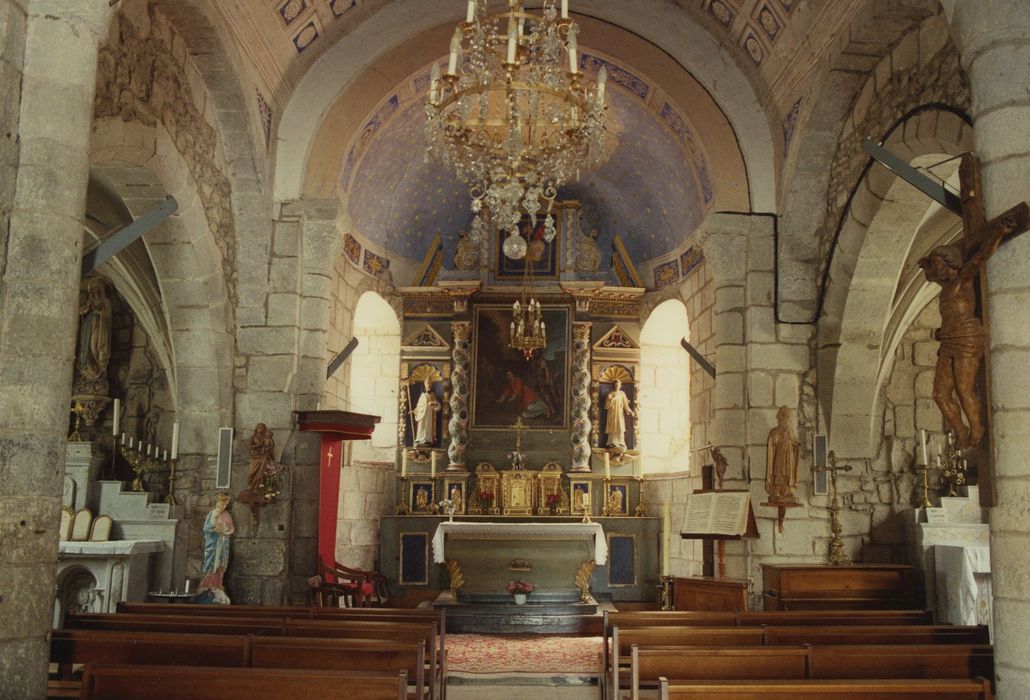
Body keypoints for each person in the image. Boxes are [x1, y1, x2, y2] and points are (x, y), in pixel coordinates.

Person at [919, 238, 1007, 449]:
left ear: (950, 263)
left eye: (937, 263)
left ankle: (977, 429)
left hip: (967, 338)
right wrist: (942, 332)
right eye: (934, 264)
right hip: (949, 340)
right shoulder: (944, 289)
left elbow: (981, 256)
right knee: (939, 393)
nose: (935, 268)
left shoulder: (963, 280)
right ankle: (961, 431)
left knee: (964, 389)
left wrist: (1000, 232)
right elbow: (930, 277)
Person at [197, 493, 235, 603]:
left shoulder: (227, 515)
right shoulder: (212, 514)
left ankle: (218, 584)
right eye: (222, 504)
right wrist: (215, 530)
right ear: (218, 503)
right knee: (211, 563)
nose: (223, 506)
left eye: (225, 505)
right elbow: (206, 528)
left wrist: (226, 531)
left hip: (223, 544)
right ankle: (207, 585)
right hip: (213, 545)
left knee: (221, 564)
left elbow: (232, 528)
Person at [76, 277, 112, 387]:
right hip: (87, 328)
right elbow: (81, 312)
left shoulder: (105, 301)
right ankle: (86, 371)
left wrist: (96, 310)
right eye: (93, 288)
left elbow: (107, 316)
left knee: (94, 346)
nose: (95, 290)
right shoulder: (89, 301)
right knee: (86, 348)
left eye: (96, 288)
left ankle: (98, 370)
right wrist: (86, 310)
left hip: (99, 327)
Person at [765, 406, 799, 502]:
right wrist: (775, 438)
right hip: (780, 455)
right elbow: (773, 442)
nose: (785, 420)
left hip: (789, 456)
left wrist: (795, 443)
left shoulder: (791, 431)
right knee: (779, 472)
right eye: (783, 418)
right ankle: (777, 489)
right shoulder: (775, 431)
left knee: (788, 472)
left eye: (787, 418)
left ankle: (787, 489)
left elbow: (795, 442)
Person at [604, 379, 635, 449]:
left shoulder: (622, 394)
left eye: (618, 385)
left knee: (620, 427)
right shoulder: (610, 394)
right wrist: (610, 399)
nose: (616, 386)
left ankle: (621, 442)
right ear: (613, 386)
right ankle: (612, 442)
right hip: (612, 414)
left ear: (620, 386)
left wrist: (630, 411)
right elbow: (606, 406)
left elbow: (625, 405)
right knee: (612, 427)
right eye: (615, 385)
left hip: (619, 414)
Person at [246, 423, 275, 494]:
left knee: (262, 472)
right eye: (259, 428)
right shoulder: (253, 437)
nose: (260, 429)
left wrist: (268, 449)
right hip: (255, 458)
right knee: (251, 473)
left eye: (262, 428)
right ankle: (251, 485)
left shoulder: (266, 438)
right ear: (256, 429)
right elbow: (249, 447)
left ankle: (257, 487)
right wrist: (258, 445)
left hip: (263, 457)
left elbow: (271, 446)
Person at [411, 377, 441, 446]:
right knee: (421, 426)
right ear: (424, 384)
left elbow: (438, 406)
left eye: (429, 383)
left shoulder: (433, 395)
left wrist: (432, 404)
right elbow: (419, 406)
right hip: (422, 414)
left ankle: (427, 439)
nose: (428, 384)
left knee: (428, 426)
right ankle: (419, 439)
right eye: (426, 383)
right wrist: (414, 411)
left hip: (429, 414)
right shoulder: (422, 395)